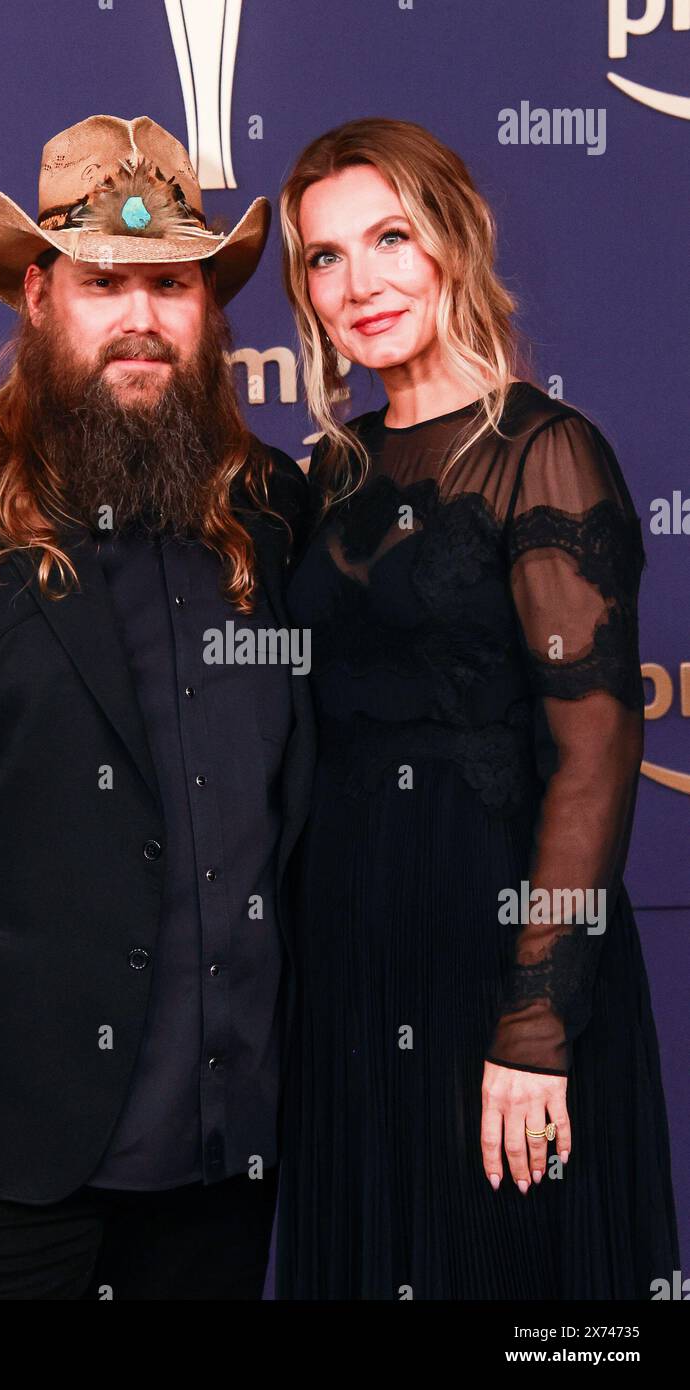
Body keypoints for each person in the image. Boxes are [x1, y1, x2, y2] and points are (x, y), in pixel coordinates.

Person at [0, 114, 315, 1300]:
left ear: (208, 315)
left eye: (171, 286)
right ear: (38, 295)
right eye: (105, 282)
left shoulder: (273, 509)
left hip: (221, 1145)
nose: (140, 318)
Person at [273, 116, 679, 1299]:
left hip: (495, 948)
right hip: (349, 952)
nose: (358, 282)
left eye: (388, 236)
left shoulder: (542, 452)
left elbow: (594, 753)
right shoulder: (329, 473)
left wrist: (535, 1025)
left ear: (451, 241)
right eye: (324, 257)